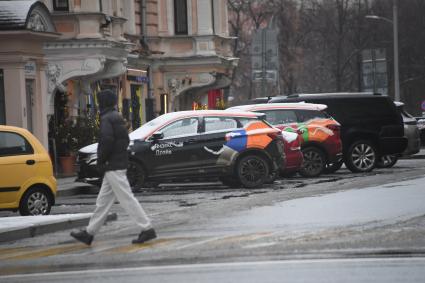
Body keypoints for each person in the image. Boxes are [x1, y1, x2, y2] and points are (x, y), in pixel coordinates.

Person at [70, 89, 156, 245]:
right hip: (116, 164)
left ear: (103, 103)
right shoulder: (116, 117)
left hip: (113, 166)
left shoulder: (107, 119)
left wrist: (101, 160)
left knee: (127, 199)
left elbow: (106, 142)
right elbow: (124, 141)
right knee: (103, 202)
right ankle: (89, 233)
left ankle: (147, 228)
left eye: (99, 101)